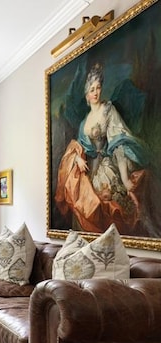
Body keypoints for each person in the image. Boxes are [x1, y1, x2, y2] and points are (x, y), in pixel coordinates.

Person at [55, 63, 152, 236]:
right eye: (92, 89)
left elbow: (118, 143)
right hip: (88, 169)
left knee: (106, 207)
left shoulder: (108, 110)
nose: (96, 92)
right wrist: (77, 158)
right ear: (86, 94)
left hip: (106, 166)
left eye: (98, 87)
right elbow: (79, 146)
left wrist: (124, 178)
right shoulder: (85, 121)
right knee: (83, 202)